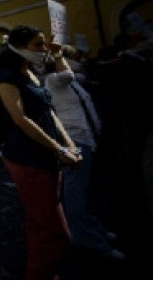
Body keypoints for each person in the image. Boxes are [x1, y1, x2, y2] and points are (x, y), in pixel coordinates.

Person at [0, 25, 82, 279]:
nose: (43, 49)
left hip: (47, 156)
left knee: (39, 221)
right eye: (38, 44)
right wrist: (59, 149)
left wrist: (68, 143)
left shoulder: (31, 72)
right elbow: (20, 119)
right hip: (27, 157)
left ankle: (42, 272)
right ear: (20, 47)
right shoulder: (5, 76)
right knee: (57, 233)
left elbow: (49, 111)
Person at [44, 44, 124, 260]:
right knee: (76, 192)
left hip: (86, 138)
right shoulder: (54, 79)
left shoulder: (73, 80)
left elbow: (84, 75)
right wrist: (59, 54)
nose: (78, 59)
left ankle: (90, 228)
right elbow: (68, 75)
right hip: (75, 140)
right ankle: (83, 237)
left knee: (85, 190)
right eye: (74, 57)